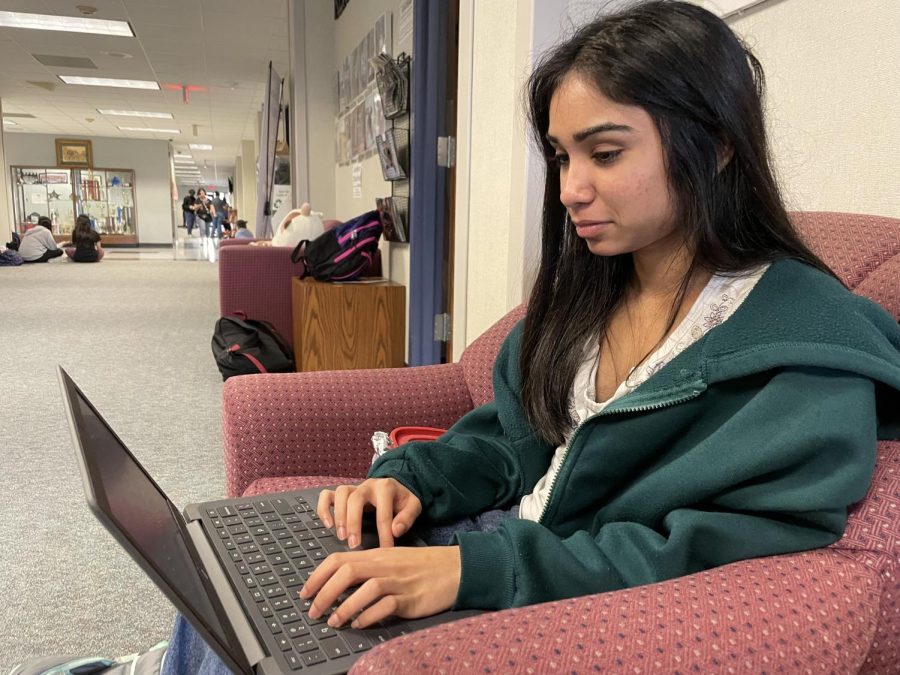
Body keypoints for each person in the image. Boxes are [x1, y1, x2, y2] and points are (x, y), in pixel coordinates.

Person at [28, 2, 900, 671]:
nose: (570, 189)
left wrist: (469, 573)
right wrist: (410, 479)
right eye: (560, 155)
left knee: (283, 613)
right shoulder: (597, 290)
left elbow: (713, 556)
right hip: (499, 538)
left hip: (558, 594)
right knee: (233, 559)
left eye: (603, 152)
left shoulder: (802, 352)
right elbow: (511, 433)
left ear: (715, 150)